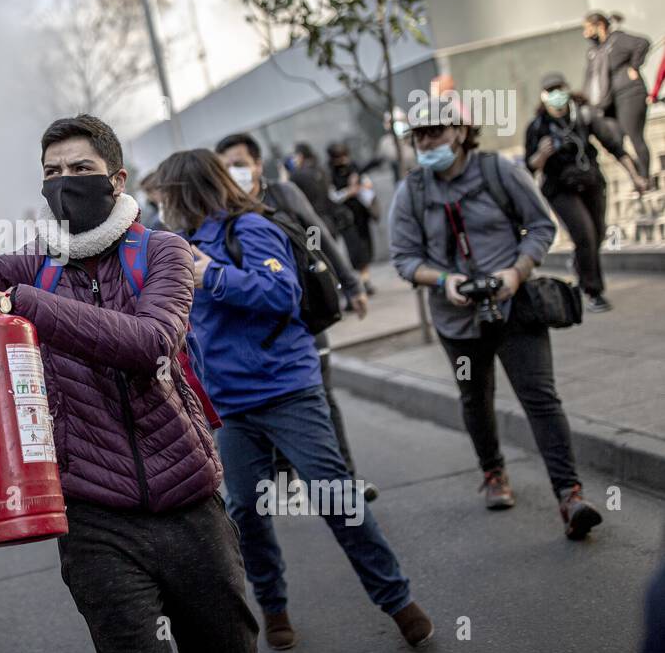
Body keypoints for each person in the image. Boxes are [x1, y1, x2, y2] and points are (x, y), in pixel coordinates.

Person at [0, 114, 260, 653]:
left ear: (116, 180)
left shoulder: (164, 252)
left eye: (80, 168)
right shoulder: (35, 265)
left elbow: (152, 344)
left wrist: (29, 305)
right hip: (95, 517)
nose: (65, 181)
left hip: (189, 503)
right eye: (52, 171)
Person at [150, 150, 430, 653]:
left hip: (287, 389)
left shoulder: (250, 229)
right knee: (248, 511)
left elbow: (282, 292)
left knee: (334, 495)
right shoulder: (177, 245)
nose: (160, 206)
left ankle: (397, 599)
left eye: (165, 195)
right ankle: (274, 606)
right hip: (230, 407)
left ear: (187, 192)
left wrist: (212, 275)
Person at [388, 117, 603, 540]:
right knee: (475, 397)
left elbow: (541, 226)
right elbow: (403, 258)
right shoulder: (411, 191)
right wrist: (443, 281)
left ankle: (570, 495)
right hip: (456, 321)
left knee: (540, 398)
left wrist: (517, 272)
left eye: (436, 131)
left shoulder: (498, 169)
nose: (427, 141)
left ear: (461, 133)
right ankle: (493, 474)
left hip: (514, 309)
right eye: (419, 135)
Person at [216, 133, 377, 503]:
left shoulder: (283, 196)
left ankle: (346, 481)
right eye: (225, 167)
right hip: (253, 326)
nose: (233, 173)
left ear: (258, 165)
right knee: (272, 401)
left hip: (300, 312)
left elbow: (317, 233)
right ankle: (287, 472)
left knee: (320, 392)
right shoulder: (220, 209)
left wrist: (351, 284)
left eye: (240, 164)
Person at [525, 72, 648, 313]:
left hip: (590, 182)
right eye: (550, 91)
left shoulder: (584, 114)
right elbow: (529, 168)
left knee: (598, 233)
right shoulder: (538, 126)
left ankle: (582, 267)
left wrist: (636, 177)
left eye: (559, 88)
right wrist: (541, 155)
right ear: (543, 96)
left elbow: (614, 146)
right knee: (584, 234)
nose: (556, 95)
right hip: (560, 188)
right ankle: (593, 291)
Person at [582, 11, 652, 180]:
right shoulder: (596, 51)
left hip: (629, 94)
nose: (585, 33)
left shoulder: (618, 40)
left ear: (599, 26)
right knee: (614, 139)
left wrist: (634, 67)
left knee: (635, 136)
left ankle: (645, 178)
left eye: (588, 28)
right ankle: (636, 174)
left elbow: (642, 43)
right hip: (609, 101)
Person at [327, 142, 380, 296]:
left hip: (361, 214)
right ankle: (361, 282)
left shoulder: (354, 167)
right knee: (355, 250)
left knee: (366, 247)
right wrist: (350, 191)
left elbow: (366, 182)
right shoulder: (330, 173)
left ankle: (365, 280)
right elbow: (332, 196)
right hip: (345, 218)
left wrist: (362, 186)